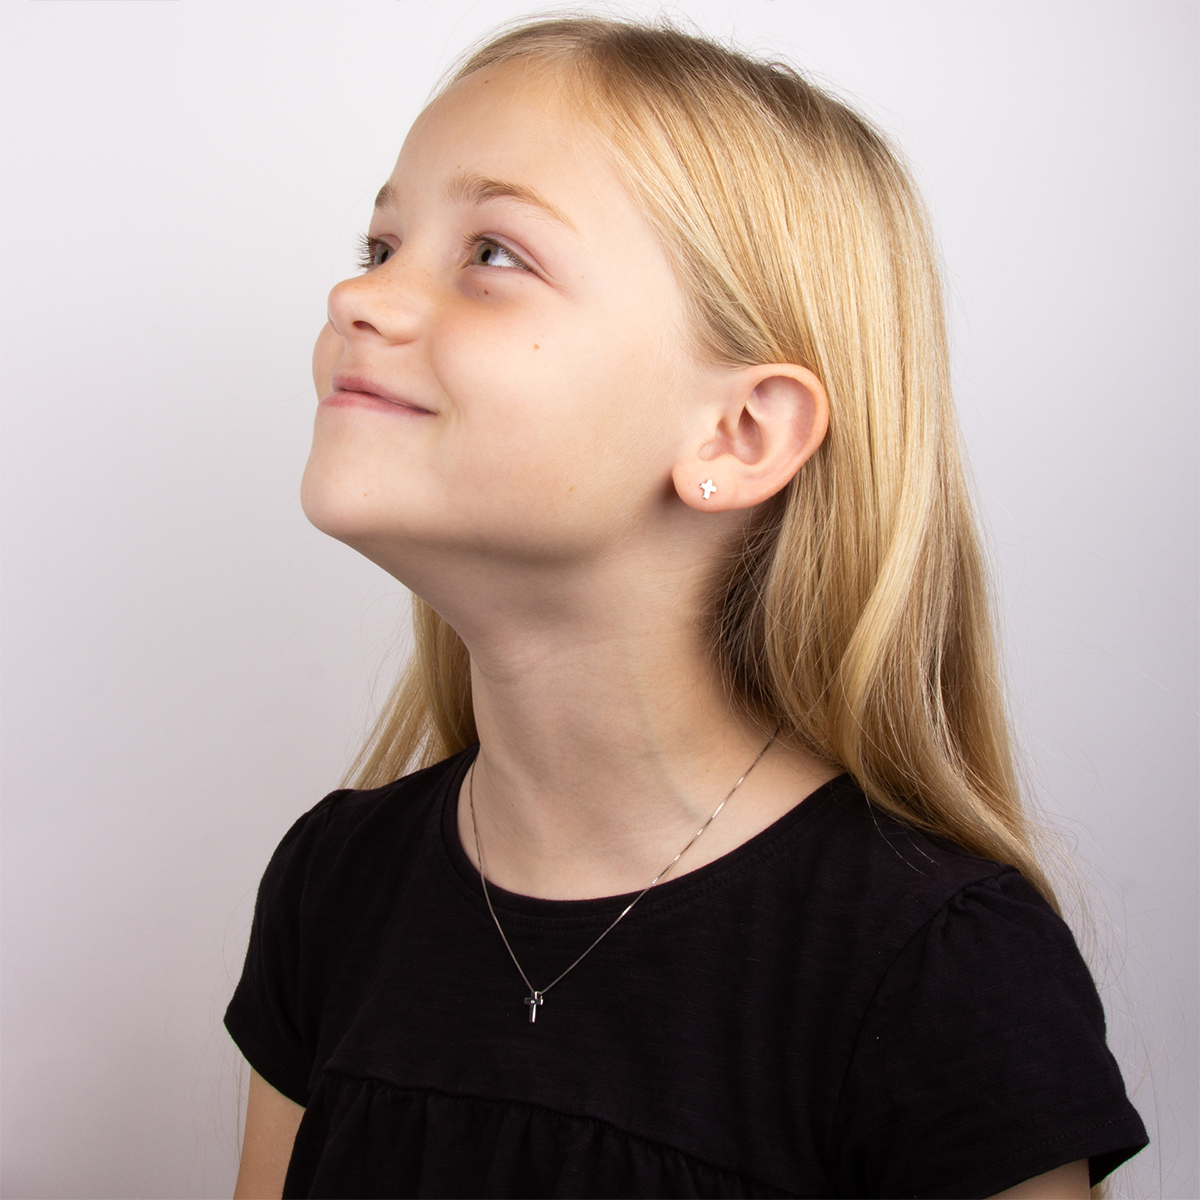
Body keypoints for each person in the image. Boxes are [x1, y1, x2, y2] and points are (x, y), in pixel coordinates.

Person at [225, 15, 1148, 1199]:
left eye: (493, 254)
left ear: (739, 432)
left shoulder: (936, 969)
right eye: (381, 239)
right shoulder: (334, 884)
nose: (361, 293)